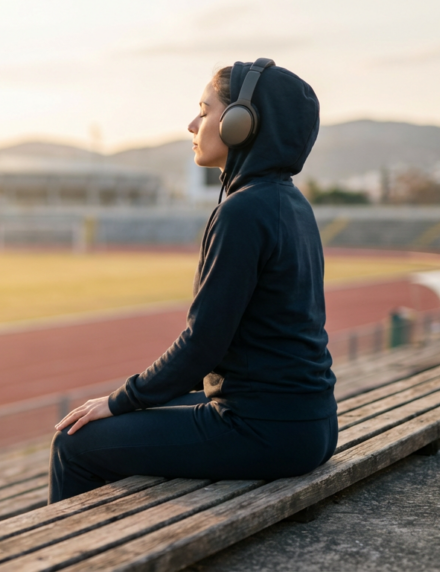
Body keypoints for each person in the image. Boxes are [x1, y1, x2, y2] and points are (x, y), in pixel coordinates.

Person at [48, 59, 338, 503]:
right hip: (312, 425)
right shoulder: (292, 203)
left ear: (242, 123)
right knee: (126, 418)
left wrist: (120, 400)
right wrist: (138, 400)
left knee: (74, 442)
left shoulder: (241, 212)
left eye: (204, 111)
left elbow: (203, 344)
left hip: (262, 431)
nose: (191, 124)